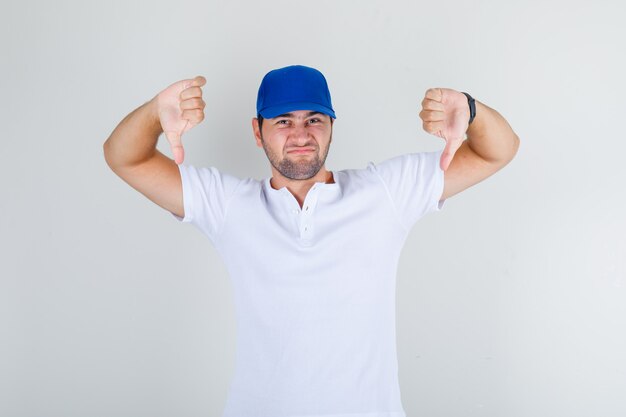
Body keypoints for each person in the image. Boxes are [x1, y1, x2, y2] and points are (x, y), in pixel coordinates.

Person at [103, 65, 519, 417]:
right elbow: (124, 156)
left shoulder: (385, 192)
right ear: (257, 130)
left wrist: (471, 109)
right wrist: (156, 114)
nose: (301, 134)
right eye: (283, 120)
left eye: (314, 119)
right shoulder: (229, 204)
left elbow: (497, 151)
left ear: (332, 126)